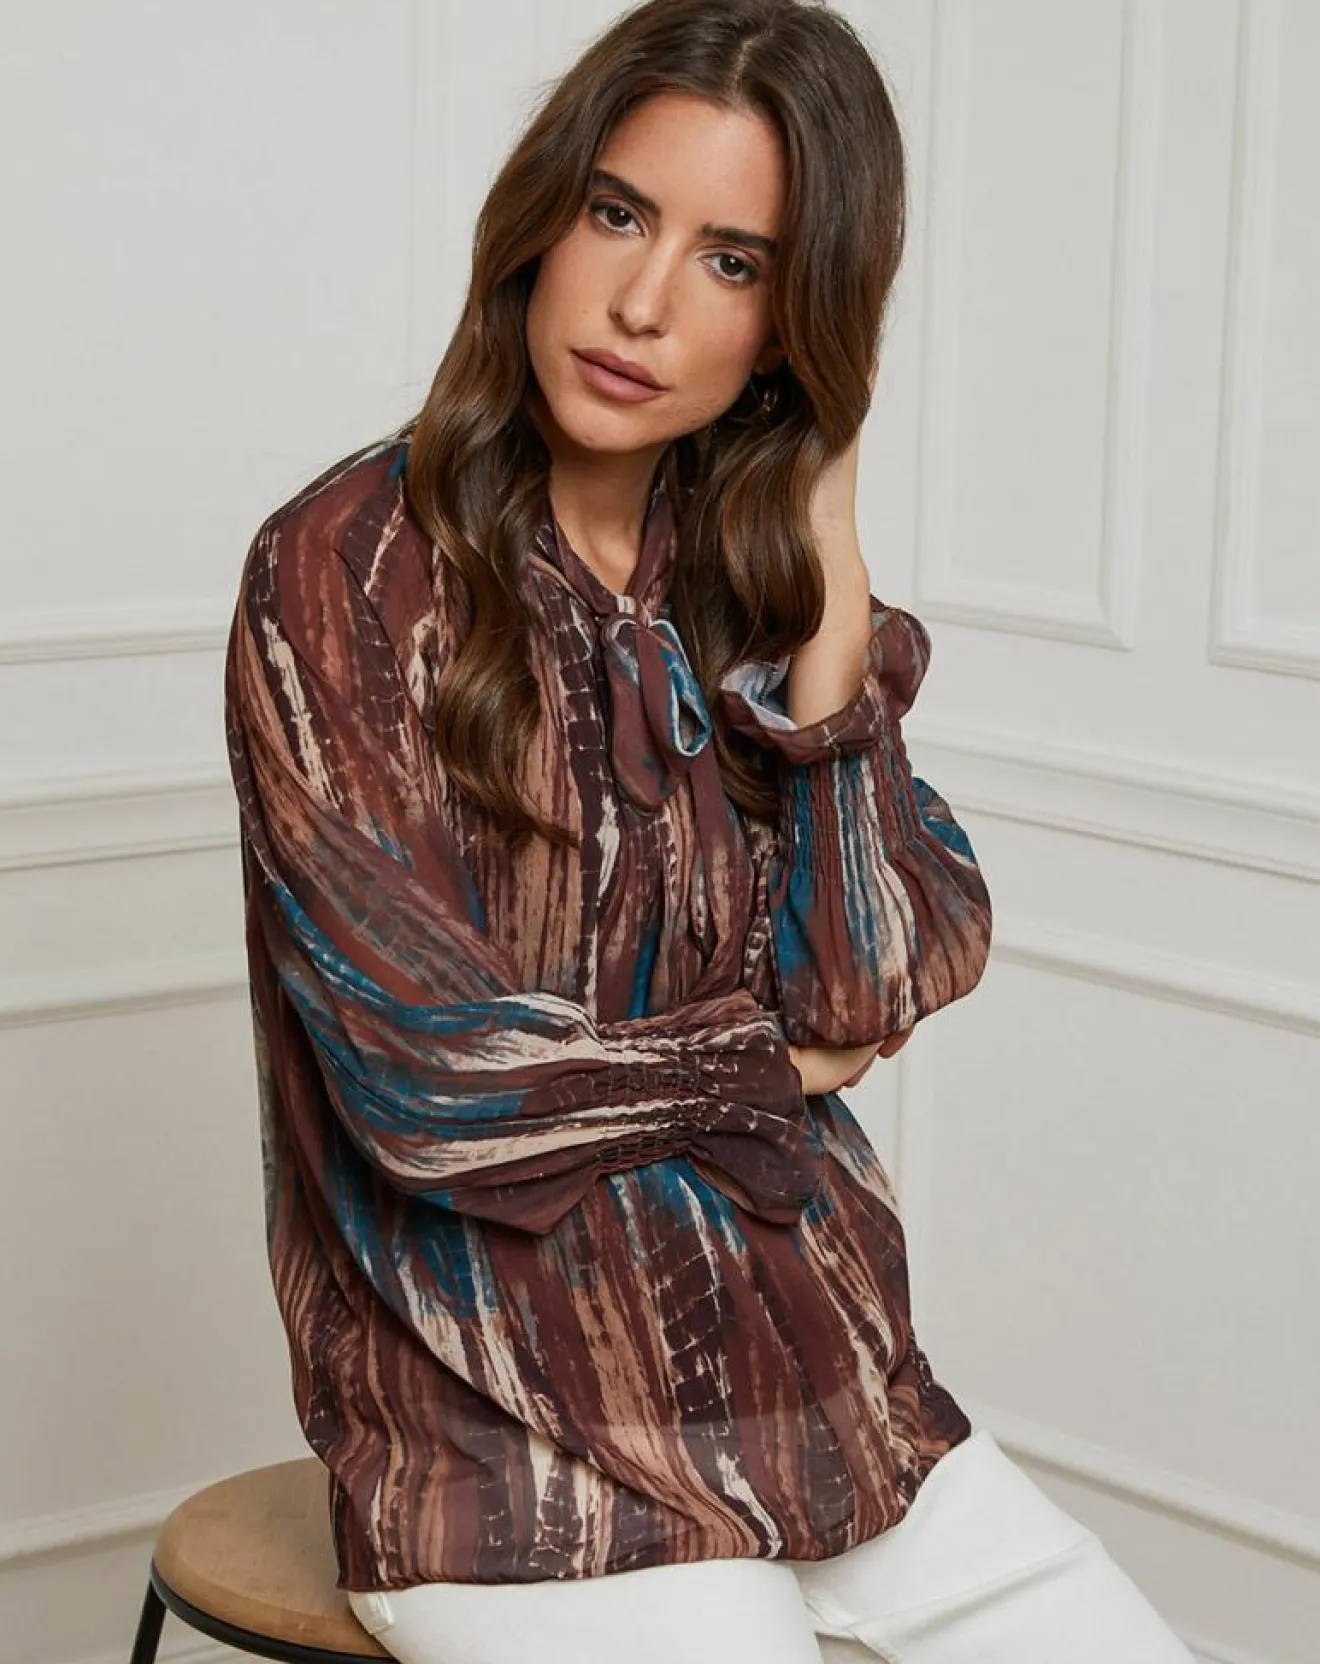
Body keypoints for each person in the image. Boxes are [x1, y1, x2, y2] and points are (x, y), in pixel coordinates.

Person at [222, 1, 1196, 1659]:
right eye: (619, 213)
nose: (645, 302)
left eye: (733, 262)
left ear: (795, 328)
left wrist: (831, 572)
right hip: (508, 1456)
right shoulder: (342, 569)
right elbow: (437, 1088)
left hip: (829, 1408)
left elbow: (875, 974)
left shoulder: (745, 572)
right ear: (544, 218)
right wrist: (765, 1070)